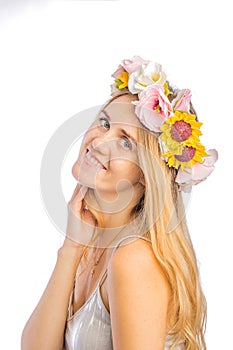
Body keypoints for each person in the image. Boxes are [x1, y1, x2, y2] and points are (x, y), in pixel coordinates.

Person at [21, 55, 218, 350]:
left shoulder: (134, 257)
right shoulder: (91, 244)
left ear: (145, 176)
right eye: (104, 123)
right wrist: (71, 247)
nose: (99, 142)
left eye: (125, 142)